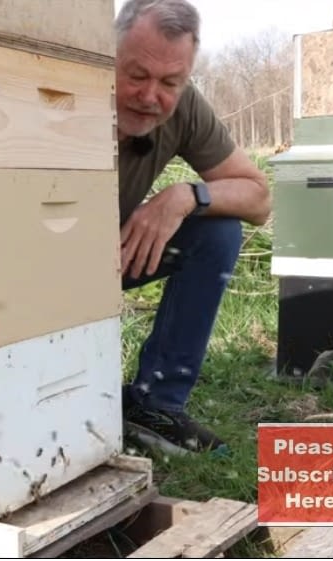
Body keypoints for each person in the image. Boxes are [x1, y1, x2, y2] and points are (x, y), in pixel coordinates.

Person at [112, 0, 271, 457]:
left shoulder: (184, 108)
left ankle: (155, 406)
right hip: (28, 269)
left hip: (110, 255)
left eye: (169, 82)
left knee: (216, 232)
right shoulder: (61, 91)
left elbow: (258, 198)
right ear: (109, 56)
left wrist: (186, 196)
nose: (150, 97)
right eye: (137, 75)